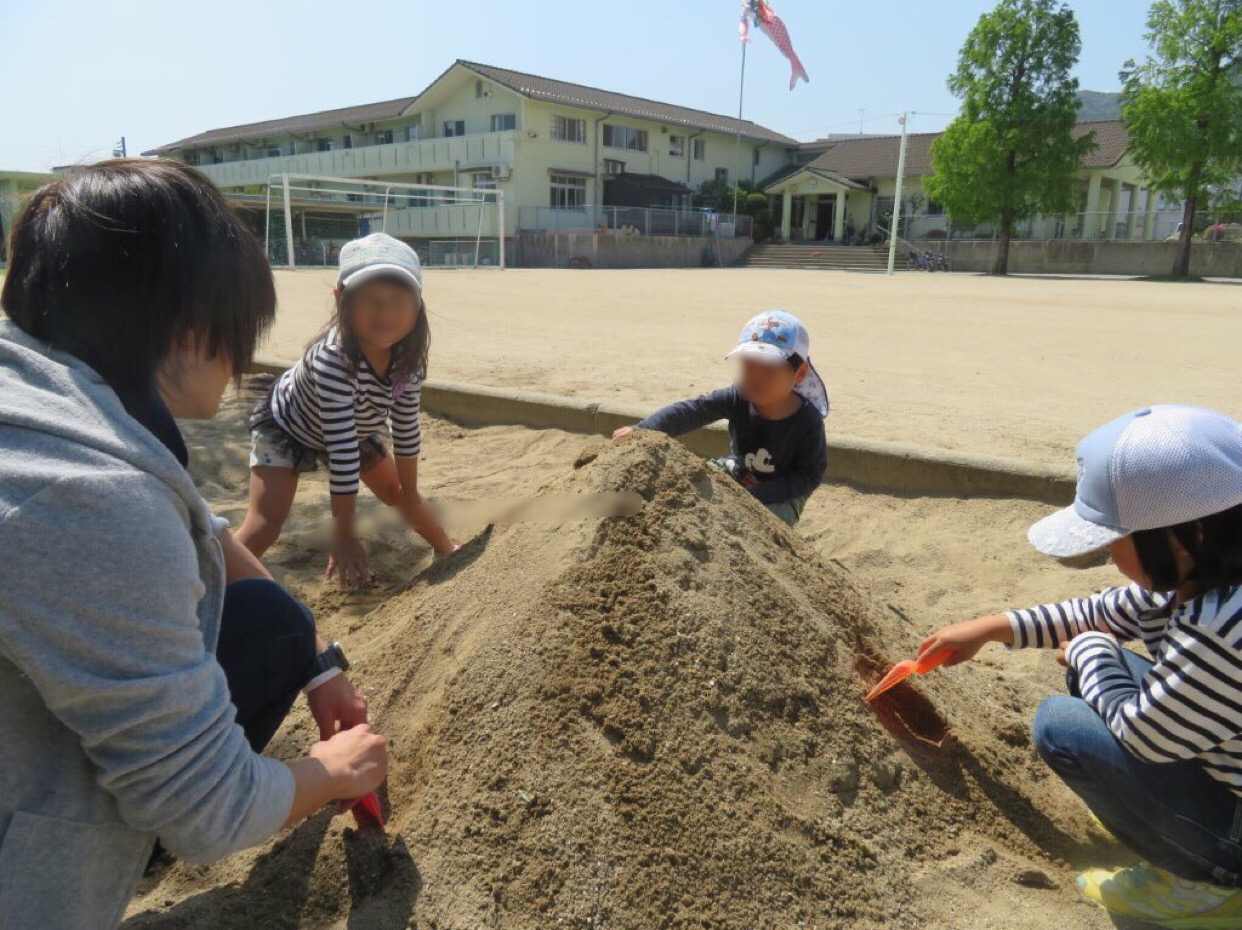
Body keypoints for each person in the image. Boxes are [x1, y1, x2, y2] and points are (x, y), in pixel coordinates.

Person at [0, 160, 388, 929]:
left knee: (275, 621)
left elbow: (202, 529)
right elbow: (207, 811)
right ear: (185, 330)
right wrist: (328, 773)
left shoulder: (51, 402)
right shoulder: (91, 500)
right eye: (239, 333)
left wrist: (316, 660)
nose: (242, 361)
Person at [919, 405, 1242, 926]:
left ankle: (1206, 883)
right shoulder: (1207, 575)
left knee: (1062, 725)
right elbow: (1101, 612)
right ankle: (1161, 816)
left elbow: (1144, 736)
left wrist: (1094, 653)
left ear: (1186, 537)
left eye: (1117, 540)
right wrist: (992, 627)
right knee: (1095, 666)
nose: (1111, 556)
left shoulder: (1219, 627)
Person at [236, 233, 456, 588]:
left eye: (399, 299)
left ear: (418, 303)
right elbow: (341, 453)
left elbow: (406, 428)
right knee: (266, 523)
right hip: (290, 426)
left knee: (400, 493)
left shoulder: (409, 359)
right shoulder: (333, 362)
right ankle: (210, 582)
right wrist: (345, 535)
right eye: (370, 300)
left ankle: (448, 551)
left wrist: (411, 493)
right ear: (341, 299)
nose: (385, 312)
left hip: (354, 429)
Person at [613, 310, 829, 526]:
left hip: (782, 494)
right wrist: (644, 429)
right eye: (749, 364)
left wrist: (758, 495)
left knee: (760, 523)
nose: (755, 376)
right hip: (739, 470)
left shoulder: (807, 420)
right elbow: (692, 410)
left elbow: (808, 476)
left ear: (799, 373)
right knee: (687, 481)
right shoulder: (737, 397)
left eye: (769, 369)